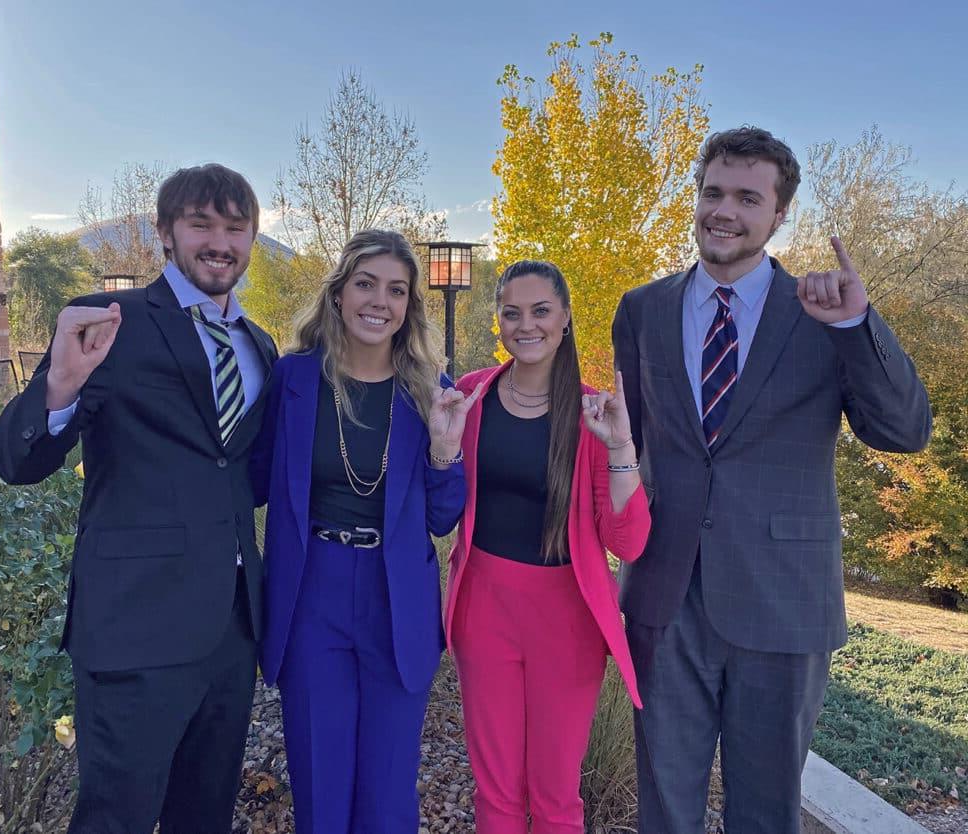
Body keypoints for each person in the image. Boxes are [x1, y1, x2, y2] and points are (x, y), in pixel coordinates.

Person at [613, 126, 932, 834]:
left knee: (765, 812)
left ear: (779, 213)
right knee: (665, 809)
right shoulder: (643, 310)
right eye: (713, 192)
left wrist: (855, 323)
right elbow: (625, 448)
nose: (724, 211)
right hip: (666, 599)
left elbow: (905, 432)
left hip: (784, 601)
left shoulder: (820, 310)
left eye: (747, 198)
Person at [0, 163, 277, 833]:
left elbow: (241, 476)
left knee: (204, 818)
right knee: (114, 821)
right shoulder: (107, 326)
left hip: (231, 632)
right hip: (134, 630)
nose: (220, 242)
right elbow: (16, 459)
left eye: (236, 228)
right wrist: (58, 388)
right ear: (165, 235)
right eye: (200, 224)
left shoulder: (259, 345)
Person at [250, 229, 478, 834]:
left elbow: (440, 519)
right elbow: (250, 479)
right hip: (311, 592)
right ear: (340, 293)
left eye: (396, 291)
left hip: (395, 596)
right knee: (320, 787)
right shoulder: (293, 380)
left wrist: (444, 451)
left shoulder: (431, 392)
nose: (380, 301)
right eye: (366, 284)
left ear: (409, 307)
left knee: (387, 792)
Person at [444, 260, 651, 834]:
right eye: (512, 313)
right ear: (499, 322)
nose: (525, 325)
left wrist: (621, 447)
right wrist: (441, 450)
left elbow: (628, 541)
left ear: (564, 319)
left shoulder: (594, 412)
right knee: (496, 791)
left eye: (540, 311)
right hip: (484, 608)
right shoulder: (470, 397)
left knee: (556, 795)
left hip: (566, 618)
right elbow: (438, 510)